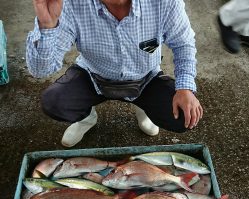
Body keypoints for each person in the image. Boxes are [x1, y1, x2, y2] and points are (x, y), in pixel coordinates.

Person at [27, 0, 203, 147]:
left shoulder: (165, 2)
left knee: (184, 117)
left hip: (144, 78)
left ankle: (142, 107)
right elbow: (40, 70)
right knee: (54, 102)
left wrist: (185, 88)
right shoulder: (70, 4)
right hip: (93, 75)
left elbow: (183, 44)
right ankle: (87, 118)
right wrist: (47, 26)